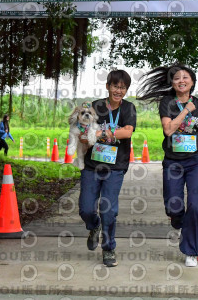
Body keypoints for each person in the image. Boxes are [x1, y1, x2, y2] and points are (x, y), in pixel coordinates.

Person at [138, 63, 198, 267]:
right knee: (173, 205)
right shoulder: (167, 103)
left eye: (185, 77)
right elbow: (168, 130)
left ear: (192, 82)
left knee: (196, 206)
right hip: (173, 162)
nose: (181, 80)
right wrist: (187, 110)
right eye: (177, 78)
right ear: (172, 83)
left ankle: (191, 251)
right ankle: (177, 220)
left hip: (196, 161)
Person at [79, 69, 137, 267]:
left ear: (126, 90)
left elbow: (127, 132)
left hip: (116, 166)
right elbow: (84, 130)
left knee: (109, 210)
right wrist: (93, 134)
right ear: (108, 86)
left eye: (122, 87)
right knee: (86, 208)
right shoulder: (95, 106)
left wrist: (99, 133)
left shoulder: (129, 108)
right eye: (115, 86)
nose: (118, 90)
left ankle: (109, 248)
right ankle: (93, 226)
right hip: (92, 165)